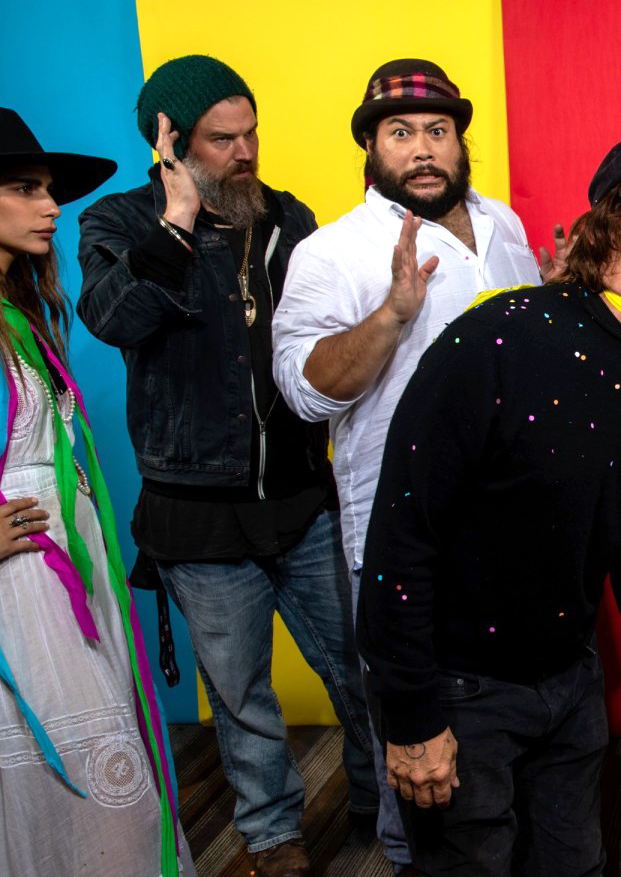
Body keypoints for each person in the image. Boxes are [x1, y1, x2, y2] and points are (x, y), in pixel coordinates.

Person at [358, 134, 621, 875]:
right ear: (609, 222)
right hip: (458, 690)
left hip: (571, 682)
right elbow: (402, 536)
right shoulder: (501, 339)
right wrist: (409, 719)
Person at [76, 55, 375, 877]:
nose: (245, 153)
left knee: (360, 671)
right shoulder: (119, 223)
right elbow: (112, 319)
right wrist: (175, 224)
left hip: (300, 499)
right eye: (221, 139)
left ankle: (377, 808)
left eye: (251, 134)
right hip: (196, 514)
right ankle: (273, 838)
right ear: (169, 142)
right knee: (241, 697)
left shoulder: (287, 218)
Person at [272, 57, 539, 874]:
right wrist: (391, 315)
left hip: (521, 528)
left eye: (437, 131)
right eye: (400, 134)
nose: (422, 149)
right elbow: (304, 393)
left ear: (460, 140)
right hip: (405, 542)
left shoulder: (506, 226)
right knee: (418, 760)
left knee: (513, 741)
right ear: (370, 147)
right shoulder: (333, 253)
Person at [0, 107, 191, 875]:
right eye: (24, 187)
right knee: (73, 783)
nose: (51, 206)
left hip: (64, 572)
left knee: (98, 782)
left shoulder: (19, 312)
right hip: (21, 586)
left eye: (49, 189)